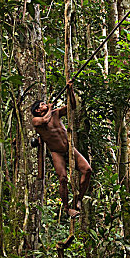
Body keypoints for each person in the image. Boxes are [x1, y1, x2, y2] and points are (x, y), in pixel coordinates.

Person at [31, 82, 92, 218]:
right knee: (63, 178)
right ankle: (66, 208)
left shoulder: (55, 113)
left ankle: (79, 199)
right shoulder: (36, 120)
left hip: (69, 148)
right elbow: (45, 121)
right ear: (37, 110)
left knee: (87, 170)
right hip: (56, 152)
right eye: (41, 105)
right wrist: (50, 110)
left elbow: (72, 107)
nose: (44, 105)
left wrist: (70, 90)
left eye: (44, 103)